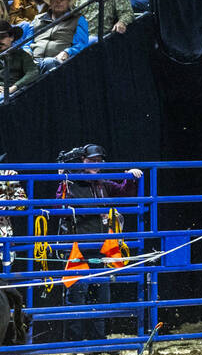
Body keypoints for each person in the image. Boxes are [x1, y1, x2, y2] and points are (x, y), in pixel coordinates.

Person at [58, 142, 141, 343]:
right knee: (77, 294)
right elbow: (57, 205)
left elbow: (124, 193)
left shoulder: (102, 184)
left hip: (100, 246)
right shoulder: (69, 183)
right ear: (82, 161)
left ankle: (98, 340)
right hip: (77, 246)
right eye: (91, 160)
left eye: (98, 160)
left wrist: (131, 177)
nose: (96, 164)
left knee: (101, 295)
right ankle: (74, 343)